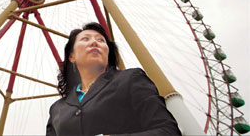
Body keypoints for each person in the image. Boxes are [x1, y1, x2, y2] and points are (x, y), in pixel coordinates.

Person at [46, 22, 181, 136]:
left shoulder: (130, 79)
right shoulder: (57, 109)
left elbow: (168, 131)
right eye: (85, 39)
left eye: (101, 40)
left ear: (108, 52)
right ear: (72, 57)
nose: (94, 42)